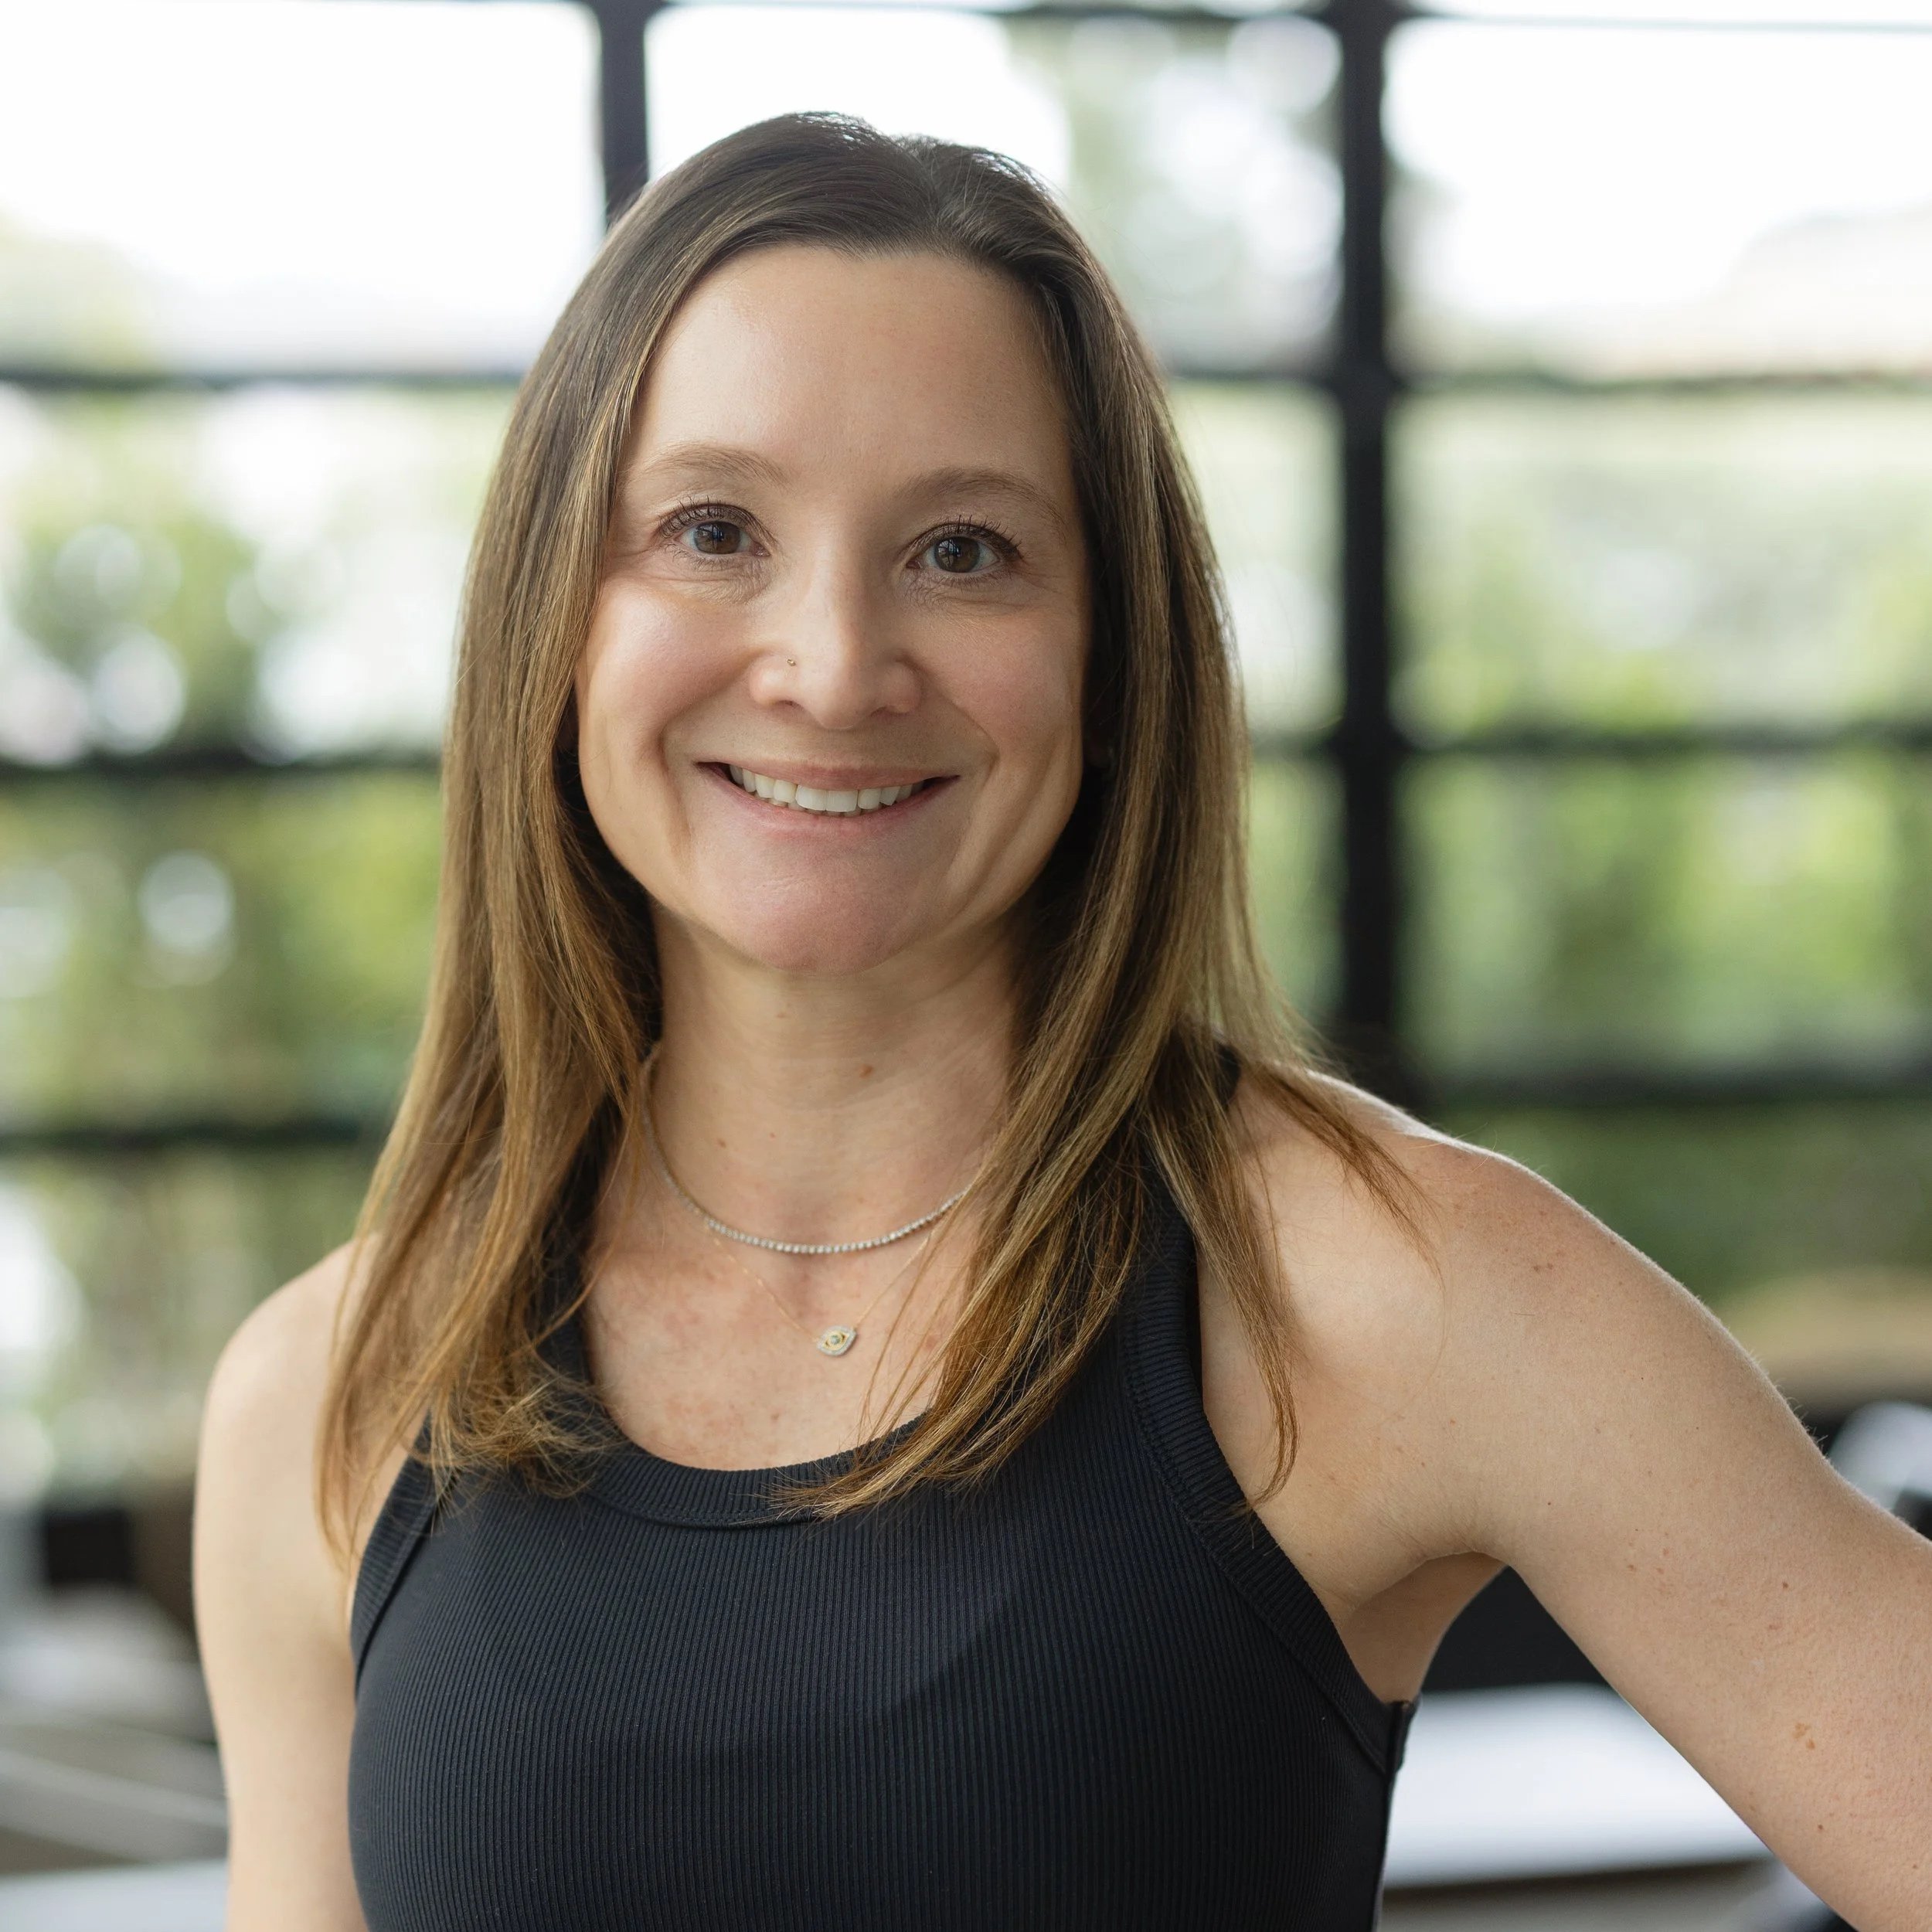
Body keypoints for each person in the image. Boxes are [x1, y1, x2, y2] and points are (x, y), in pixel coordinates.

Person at [192, 111, 1930, 1931]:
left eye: (961, 550)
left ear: (1110, 657)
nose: (833, 661)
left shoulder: (1382, 1285)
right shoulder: (331, 1394)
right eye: (713, 530)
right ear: (553, 617)